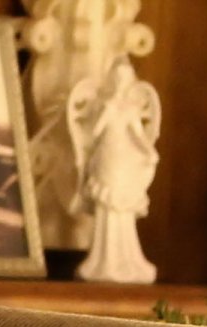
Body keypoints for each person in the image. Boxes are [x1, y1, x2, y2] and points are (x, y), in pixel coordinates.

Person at [67, 57, 160, 282]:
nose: (120, 82)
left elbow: (138, 136)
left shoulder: (131, 108)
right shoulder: (106, 105)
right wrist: (104, 113)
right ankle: (101, 260)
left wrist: (149, 152)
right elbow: (95, 133)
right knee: (106, 204)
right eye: (116, 78)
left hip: (124, 158)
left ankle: (127, 259)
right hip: (106, 157)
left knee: (122, 205)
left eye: (124, 78)